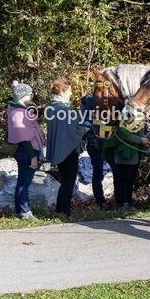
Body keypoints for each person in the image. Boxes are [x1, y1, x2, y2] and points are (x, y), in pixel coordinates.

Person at [45, 78, 90, 217]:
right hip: (68, 151)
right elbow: (76, 129)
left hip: (59, 150)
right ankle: (63, 211)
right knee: (68, 182)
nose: (71, 94)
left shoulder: (50, 107)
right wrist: (86, 128)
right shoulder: (63, 110)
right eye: (69, 91)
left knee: (65, 181)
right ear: (63, 91)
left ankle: (60, 209)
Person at [6, 81, 44, 220]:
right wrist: (33, 156)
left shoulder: (17, 110)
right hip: (27, 151)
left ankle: (21, 211)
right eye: (29, 93)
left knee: (23, 181)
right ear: (23, 95)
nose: (32, 95)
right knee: (24, 183)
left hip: (28, 151)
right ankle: (24, 212)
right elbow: (23, 137)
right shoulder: (19, 113)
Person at [104, 123, 149, 215]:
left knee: (130, 180)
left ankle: (128, 203)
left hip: (134, 153)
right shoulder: (122, 114)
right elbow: (121, 132)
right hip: (123, 154)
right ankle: (121, 204)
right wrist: (140, 140)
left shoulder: (138, 116)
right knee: (122, 180)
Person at [80, 93, 112, 207]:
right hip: (96, 141)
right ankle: (100, 200)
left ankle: (112, 200)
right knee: (98, 172)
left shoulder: (111, 100)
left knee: (105, 171)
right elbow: (85, 124)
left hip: (107, 140)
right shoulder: (89, 102)